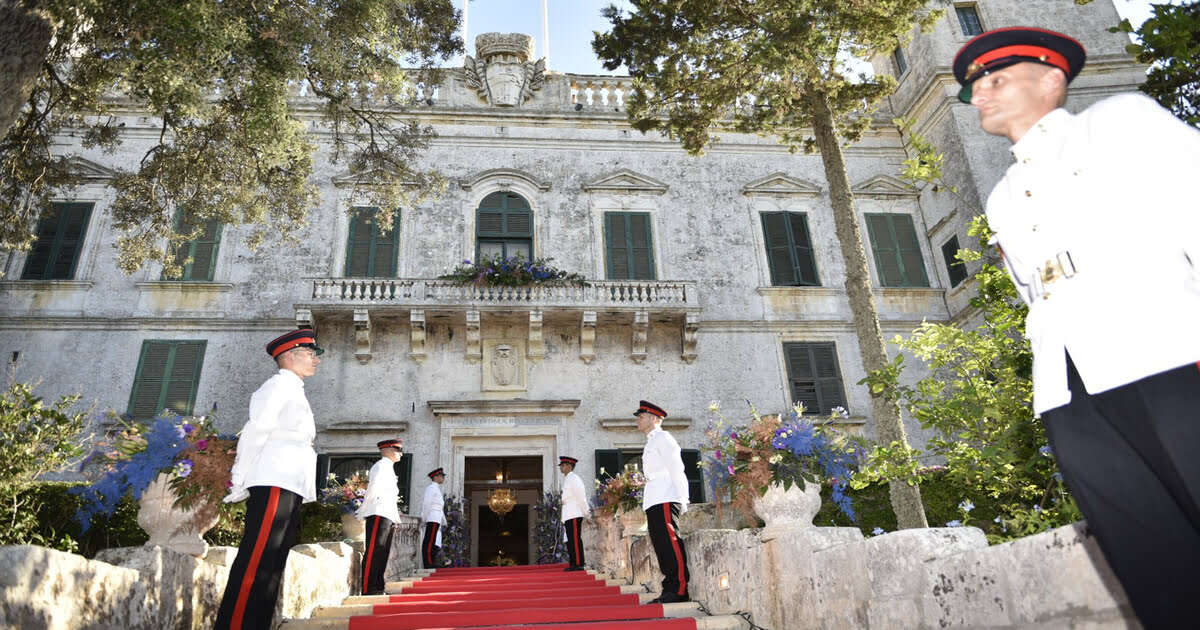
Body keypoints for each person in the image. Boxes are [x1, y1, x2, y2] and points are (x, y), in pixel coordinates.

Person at [954, 26, 1200, 629]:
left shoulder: (1119, 122)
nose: (979, 94)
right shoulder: (1003, 196)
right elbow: (1033, 293)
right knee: (1151, 562)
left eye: (995, 79)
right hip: (1069, 390)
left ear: (1051, 77)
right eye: (973, 87)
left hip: (1166, 353)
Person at [215, 329, 323, 630]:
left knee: (273, 563)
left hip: (289, 481)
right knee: (258, 557)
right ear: (289, 356)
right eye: (310, 353)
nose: (316, 360)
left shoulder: (295, 389)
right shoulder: (277, 386)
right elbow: (256, 431)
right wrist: (238, 479)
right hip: (274, 478)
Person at [634, 400, 691, 604]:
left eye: (641, 417)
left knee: (670, 542)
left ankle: (680, 589)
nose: (637, 420)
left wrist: (684, 499)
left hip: (667, 495)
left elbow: (677, 468)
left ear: (653, 418)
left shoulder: (664, 438)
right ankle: (669, 588)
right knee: (661, 544)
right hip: (655, 498)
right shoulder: (651, 442)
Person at [357, 438, 404, 596]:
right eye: (398, 450)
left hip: (387, 513)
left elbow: (391, 497)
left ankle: (378, 586)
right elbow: (373, 490)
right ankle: (368, 588)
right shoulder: (381, 466)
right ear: (389, 450)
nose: (401, 454)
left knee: (383, 551)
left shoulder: (389, 468)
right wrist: (364, 510)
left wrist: (395, 517)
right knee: (374, 551)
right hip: (378, 511)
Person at [558, 455, 589, 571]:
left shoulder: (574, 478)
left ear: (569, 466)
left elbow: (581, 496)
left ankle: (578, 563)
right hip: (569, 514)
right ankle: (573, 563)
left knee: (575, 539)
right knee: (571, 539)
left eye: (563, 465)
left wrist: (587, 512)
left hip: (575, 513)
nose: (561, 467)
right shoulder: (568, 479)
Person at [420, 467, 446, 569]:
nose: (443, 478)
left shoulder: (436, 489)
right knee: (429, 541)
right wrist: (424, 518)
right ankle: (428, 563)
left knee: (433, 541)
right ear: (435, 477)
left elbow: (440, 507)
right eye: (441, 476)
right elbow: (427, 504)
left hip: (436, 518)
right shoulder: (431, 488)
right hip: (431, 518)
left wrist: (444, 521)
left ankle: (431, 561)